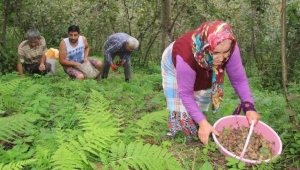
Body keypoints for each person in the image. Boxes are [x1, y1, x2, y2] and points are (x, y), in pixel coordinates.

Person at [161, 20, 261, 145]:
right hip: (174, 64)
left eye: (226, 52)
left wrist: (248, 106)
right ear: (206, 48)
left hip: (205, 67)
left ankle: (197, 121)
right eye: (216, 53)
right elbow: (185, 93)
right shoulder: (185, 57)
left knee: (200, 98)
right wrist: (202, 122)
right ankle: (182, 134)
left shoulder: (229, 46)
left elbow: (239, 79)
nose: (222, 58)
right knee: (180, 107)